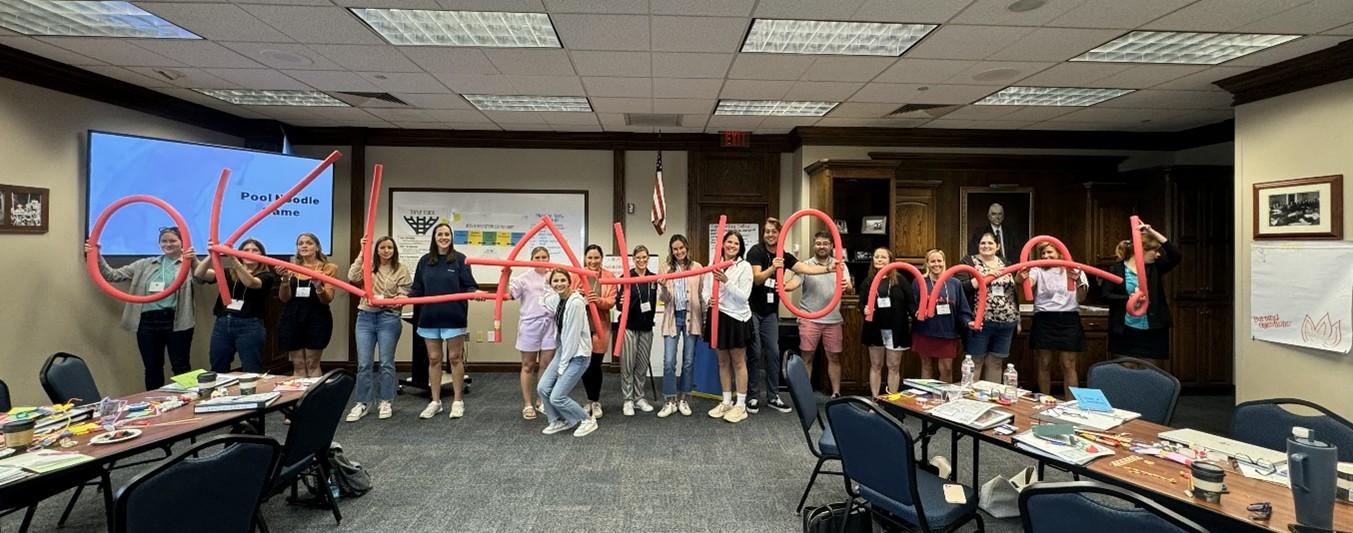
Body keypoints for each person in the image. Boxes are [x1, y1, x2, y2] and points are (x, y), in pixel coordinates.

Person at [87, 227, 198, 390]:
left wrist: (194, 260)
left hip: (176, 320)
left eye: (173, 241)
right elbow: (112, 275)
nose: (168, 244)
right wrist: (96, 255)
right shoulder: (145, 264)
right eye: (164, 241)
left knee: (181, 366)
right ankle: (155, 405)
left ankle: (188, 401)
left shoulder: (187, 264)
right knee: (152, 368)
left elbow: (204, 277)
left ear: (183, 243)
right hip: (147, 322)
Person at [744, 217, 834, 414]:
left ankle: (773, 396)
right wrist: (773, 268)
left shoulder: (784, 255)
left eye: (773, 231)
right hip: (752, 310)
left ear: (780, 233)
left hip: (770, 313)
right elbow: (757, 279)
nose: (770, 234)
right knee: (755, 352)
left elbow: (806, 269)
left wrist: (828, 268)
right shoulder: (756, 251)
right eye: (767, 231)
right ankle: (752, 397)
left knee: (774, 353)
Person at [410, 223, 478, 419]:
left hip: (453, 316)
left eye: (447, 234)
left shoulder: (460, 260)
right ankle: (435, 401)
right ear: (434, 237)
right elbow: (417, 289)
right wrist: (398, 298)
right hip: (429, 317)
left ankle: (457, 401)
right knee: (433, 359)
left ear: (451, 237)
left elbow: (469, 286)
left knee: (455, 358)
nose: (443, 237)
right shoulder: (424, 261)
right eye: (440, 234)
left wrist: (476, 293)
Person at [345, 236, 411, 422]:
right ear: (377, 249)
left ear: (394, 249)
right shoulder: (369, 265)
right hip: (365, 317)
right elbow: (352, 277)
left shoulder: (401, 269)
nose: (386, 250)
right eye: (382, 247)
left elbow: (404, 293)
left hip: (388, 318)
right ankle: (363, 403)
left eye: (390, 247)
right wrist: (362, 251)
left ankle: (385, 401)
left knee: (385, 363)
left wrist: (394, 300)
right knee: (364, 364)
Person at [193, 238, 275, 374]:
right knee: (218, 365)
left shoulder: (267, 275)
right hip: (223, 323)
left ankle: (251, 395)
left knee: (252, 368)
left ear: (262, 255)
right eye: (246, 250)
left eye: (255, 250)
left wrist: (234, 260)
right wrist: (213, 254)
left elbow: (251, 283)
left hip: (250, 325)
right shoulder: (227, 272)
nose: (250, 253)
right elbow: (199, 274)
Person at [1018, 242, 1089, 398]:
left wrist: (1077, 280)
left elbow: (1082, 298)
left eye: (1049, 252)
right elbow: (1028, 284)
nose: (1045, 256)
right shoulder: (1037, 270)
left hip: (1068, 318)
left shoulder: (1075, 269)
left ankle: (1071, 404)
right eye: (1043, 253)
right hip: (1044, 318)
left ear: (1060, 253)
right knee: (1044, 363)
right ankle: (1045, 400)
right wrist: (1021, 278)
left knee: (1068, 363)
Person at [1103, 222, 1180, 364]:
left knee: (1150, 371)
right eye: (1155, 251)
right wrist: (1128, 299)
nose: (1158, 255)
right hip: (1126, 330)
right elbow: (1106, 295)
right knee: (1126, 369)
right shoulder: (1116, 270)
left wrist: (1152, 231)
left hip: (1152, 329)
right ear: (1141, 250)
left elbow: (1176, 255)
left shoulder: (1156, 267)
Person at [537, 268, 599, 437]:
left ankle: (587, 419)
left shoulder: (576, 303)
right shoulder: (557, 299)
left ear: (569, 281)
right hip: (563, 350)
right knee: (542, 388)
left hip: (578, 355)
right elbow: (543, 300)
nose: (559, 284)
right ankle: (558, 420)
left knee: (557, 396)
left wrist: (561, 368)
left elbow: (572, 337)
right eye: (555, 281)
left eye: (562, 280)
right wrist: (547, 280)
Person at [702, 231, 754, 423]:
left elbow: (743, 296)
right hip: (718, 316)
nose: (732, 246)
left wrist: (726, 281)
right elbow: (705, 291)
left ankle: (741, 404)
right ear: (723, 244)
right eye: (729, 242)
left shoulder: (744, 266)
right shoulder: (712, 265)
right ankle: (726, 401)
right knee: (722, 361)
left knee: (738, 362)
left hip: (737, 318)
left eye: (736, 244)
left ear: (740, 247)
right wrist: (708, 299)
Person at [793, 232, 852, 398]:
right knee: (807, 356)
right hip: (809, 318)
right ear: (814, 245)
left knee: (834, 357)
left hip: (833, 319)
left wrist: (847, 285)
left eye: (825, 243)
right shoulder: (806, 265)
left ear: (832, 245)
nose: (822, 246)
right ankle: (805, 395)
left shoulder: (840, 265)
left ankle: (836, 393)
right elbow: (794, 284)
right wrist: (784, 286)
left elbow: (849, 287)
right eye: (818, 243)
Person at [277, 232, 338, 379]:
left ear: (317, 247)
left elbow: (327, 299)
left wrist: (318, 285)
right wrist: (285, 280)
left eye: (309, 243)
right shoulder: (290, 268)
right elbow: (284, 299)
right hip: (292, 317)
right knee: (298, 363)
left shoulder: (328, 268)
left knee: (312, 363)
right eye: (300, 243)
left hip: (317, 318)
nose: (304, 246)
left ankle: (314, 400)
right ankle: (298, 400)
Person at [508, 246, 557, 421]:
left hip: (550, 324)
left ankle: (541, 401)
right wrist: (506, 273)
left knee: (546, 364)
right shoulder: (523, 279)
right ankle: (527, 403)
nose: (542, 260)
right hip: (530, 325)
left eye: (545, 257)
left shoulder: (555, 276)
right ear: (532, 259)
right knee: (528, 365)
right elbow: (508, 294)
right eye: (538, 257)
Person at [963, 232, 1019, 383]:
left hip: (1007, 322)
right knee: (975, 361)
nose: (986, 246)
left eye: (990, 243)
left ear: (998, 246)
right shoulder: (969, 262)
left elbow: (1013, 293)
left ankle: (990, 399)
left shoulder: (1006, 263)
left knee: (995, 362)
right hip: (980, 322)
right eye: (983, 243)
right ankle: (970, 402)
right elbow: (963, 288)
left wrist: (1017, 320)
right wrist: (985, 276)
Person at [657, 234, 703, 418]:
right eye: (675, 249)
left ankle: (683, 398)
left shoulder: (697, 267)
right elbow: (664, 299)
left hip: (692, 317)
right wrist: (663, 288)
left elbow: (701, 294)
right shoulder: (666, 268)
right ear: (671, 250)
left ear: (687, 248)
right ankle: (670, 400)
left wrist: (707, 315)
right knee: (669, 362)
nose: (679, 252)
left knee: (689, 361)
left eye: (681, 248)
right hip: (672, 317)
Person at [912, 249, 973, 383]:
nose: (936, 264)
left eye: (939, 261)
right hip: (925, 331)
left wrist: (968, 322)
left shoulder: (954, 283)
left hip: (947, 332)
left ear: (944, 262)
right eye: (932, 261)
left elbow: (962, 309)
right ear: (927, 263)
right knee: (926, 367)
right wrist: (916, 313)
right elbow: (912, 306)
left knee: (946, 369)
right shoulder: (919, 282)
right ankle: (926, 401)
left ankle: (943, 400)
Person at [860, 247, 914, 397]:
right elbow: (861, 303)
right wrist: (864, 309)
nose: (879, 259)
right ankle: (875, 400)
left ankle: (893, 401)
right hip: (875, 329)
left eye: (883, 257)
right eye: (876, 257)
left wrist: (917, 314)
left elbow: (911, 302)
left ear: (890, 261)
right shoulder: (868, 281)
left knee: (894, 366)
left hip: (896, 330)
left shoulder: (901, 280)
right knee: (876, 365)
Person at [577, 244, 617, 419]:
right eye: (590, 258)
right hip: (580, 327)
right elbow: (565, 294)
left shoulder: (609, 276)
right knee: (584, 365)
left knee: (595, 365)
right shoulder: (576, 275)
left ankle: (595, 401)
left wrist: (597, 300)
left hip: (600, 326)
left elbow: (611, 301)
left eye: (596, 258)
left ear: (602, 258)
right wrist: (576, 295)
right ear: (585, 258)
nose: (593, 261)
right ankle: (589, 400)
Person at [618, 245, 657, 416]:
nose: (641, 261)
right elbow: (618, 305)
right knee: (627, 365)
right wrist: (621, 301)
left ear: (648, 259)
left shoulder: (654, 278)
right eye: (638, 258)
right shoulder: (626, 277)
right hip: (629, 327)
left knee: (641, 365)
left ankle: (639, 397)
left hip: (647, 328)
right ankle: (628, 399)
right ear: (633, 259)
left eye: (644, 257)